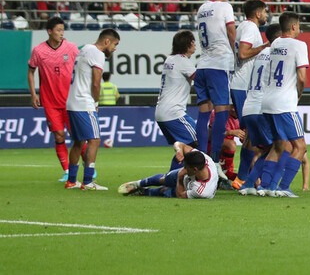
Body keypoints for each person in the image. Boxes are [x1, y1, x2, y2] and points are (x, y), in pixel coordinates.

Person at [250, 12, 308, 198]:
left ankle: (264, 186)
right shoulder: (299, 45)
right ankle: (284, 188)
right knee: (300, 146)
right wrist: (300, 92)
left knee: (277, 145)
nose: (299, 29)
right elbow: (301, 76)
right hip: (285, 103)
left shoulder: (274, 44)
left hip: (267, 102)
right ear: (293, 27)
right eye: (298, 25)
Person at [65, 28, 121, 190]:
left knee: (78, 142)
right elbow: (96, 82)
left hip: (72, 102)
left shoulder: (84, 49)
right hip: (84, 103)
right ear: (106, 41)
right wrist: (96, 103)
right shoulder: (98, 53)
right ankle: (88, 181)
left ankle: (71, 181)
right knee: (94, 140)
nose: (115, 48)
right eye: (115, 44)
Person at [27, 16, 80, 181]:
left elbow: (81, 69)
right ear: (49, 31)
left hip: (70, 100)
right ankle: (66, 171)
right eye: (58, 30)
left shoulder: (71, 48)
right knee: (59, 136)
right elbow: (31, 71)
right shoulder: (38, 50)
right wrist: (33, 93)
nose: (61, 33)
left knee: (77, 136)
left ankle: (87, 167)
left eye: (63, 30)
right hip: (49, 101)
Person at [194, 0, 237, 177]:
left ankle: (200, 156)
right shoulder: (224, 6)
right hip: (219, 64)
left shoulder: (202, 8)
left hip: (202, 65)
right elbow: (230, 30)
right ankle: (213, 160)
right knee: (222, 111)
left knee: (203, 113)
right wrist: (236, 52)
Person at [229, 0, 270, 189]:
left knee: (249, 137)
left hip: (241, 85)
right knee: (251, 137)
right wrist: (264, 46)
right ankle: (246, 178)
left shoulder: (243, 27)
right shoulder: (250, 28)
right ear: (258, 13)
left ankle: (242, 179)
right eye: (265, 12)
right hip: (242, 85)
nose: (267, 15)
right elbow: (243, 54)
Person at [238, 23, 282, 195]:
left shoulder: (261, 54)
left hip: (248, 107)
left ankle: (250, 184)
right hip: (261, 108)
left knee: (266, 149)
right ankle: (264, 185)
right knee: (280, 147)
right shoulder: (275, 55)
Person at [155, 30, 198, 171]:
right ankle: (174, 178)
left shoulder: (170, 60)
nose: (195, 45)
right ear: (187, 44)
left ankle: (175, 178)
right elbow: (200, 79)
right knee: (197, 141)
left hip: (162, 112)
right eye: (193, 42)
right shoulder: (182, 61)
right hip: (174, 112)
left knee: (184, 146)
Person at [118, 142, 217, 199]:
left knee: (166, 192)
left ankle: (144, 191)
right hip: (188, 177)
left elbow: (180, 195)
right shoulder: (203, 158)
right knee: (164, 178)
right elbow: (179, 144)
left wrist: (180, 177)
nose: (184, 168)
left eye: (186, 166)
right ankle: (138, 183)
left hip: (187, 188)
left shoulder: (201, 191)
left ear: (195, 169)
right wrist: (179, 151)